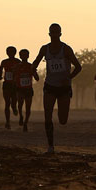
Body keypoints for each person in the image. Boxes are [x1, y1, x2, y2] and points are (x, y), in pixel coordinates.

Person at [32, 23, 82, 153]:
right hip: (49, 86)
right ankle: (50, 146)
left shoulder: (66, 49)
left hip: (64, 88)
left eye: (56, 33)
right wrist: (35, 74)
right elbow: (34, 64)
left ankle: (52, 143)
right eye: (52, 33)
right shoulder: (44, 49)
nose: (54, 35)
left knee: (63, 120)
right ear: (49, 34)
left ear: (60, 34)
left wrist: (69, 77)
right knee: (47, 116)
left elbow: (78, 67)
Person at [13, 49, 40, 132]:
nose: (24, 56)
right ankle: (21, 116)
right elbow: (13, 78)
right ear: (20, 56)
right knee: (20, 105)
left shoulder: (31, 66)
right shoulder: (17, 67)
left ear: (28, 56)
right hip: (20, 89)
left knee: (28, 108)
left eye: (26, 55)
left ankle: (25, 123)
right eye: (22, 55)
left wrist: (34, 72)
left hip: (28, 89)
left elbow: (37, 78)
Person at [0, 46, 21, 129]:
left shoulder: (18, 61)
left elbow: (21, 70)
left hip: (15, 85)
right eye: (8, 52)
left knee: (14, 102)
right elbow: (0, 69)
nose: (10, 54)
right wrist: (0, 75)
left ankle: (14, 108)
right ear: (7, 53)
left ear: (15, 53)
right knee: (7, 103)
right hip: (7, 84)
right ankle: (7, 122)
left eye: (12, 52)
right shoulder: (4, 62)